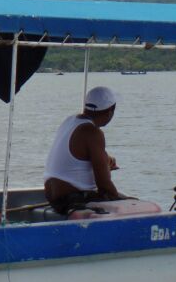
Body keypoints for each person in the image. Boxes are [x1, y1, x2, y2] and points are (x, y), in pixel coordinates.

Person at [43, 85, 124, 213]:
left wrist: (106, 160)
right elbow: (104, 186)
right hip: (72, 200)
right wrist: (121, 200)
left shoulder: (70, 121)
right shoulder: (93, 132)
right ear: (110, 112)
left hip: (53, 197)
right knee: (136, 205)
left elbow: (78, 157)